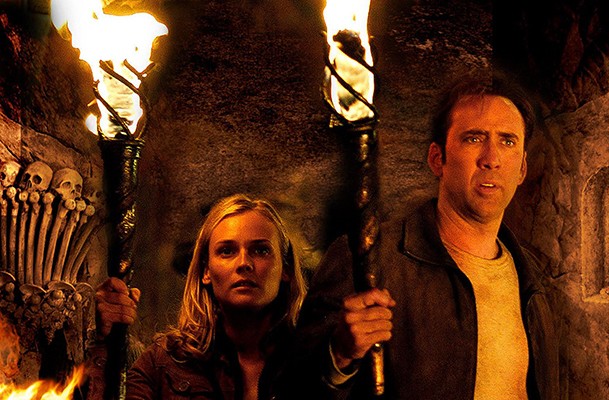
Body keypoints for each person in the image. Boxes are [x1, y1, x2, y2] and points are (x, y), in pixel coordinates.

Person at [285, 75, 559, 399]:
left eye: (508, 141)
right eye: (474, 138)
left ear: (522, 168)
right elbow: (292, 389)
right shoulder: (366, 257)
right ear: (437, 159)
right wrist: (338, 357)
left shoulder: (533, 278)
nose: (491, 158)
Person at [88, 194, 306, 400]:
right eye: (227, 251)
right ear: (206, 271)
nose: (244, 263)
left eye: (260, 250)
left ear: (285, 268)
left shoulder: (316, 359)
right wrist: (105, 340)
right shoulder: (165, 362)